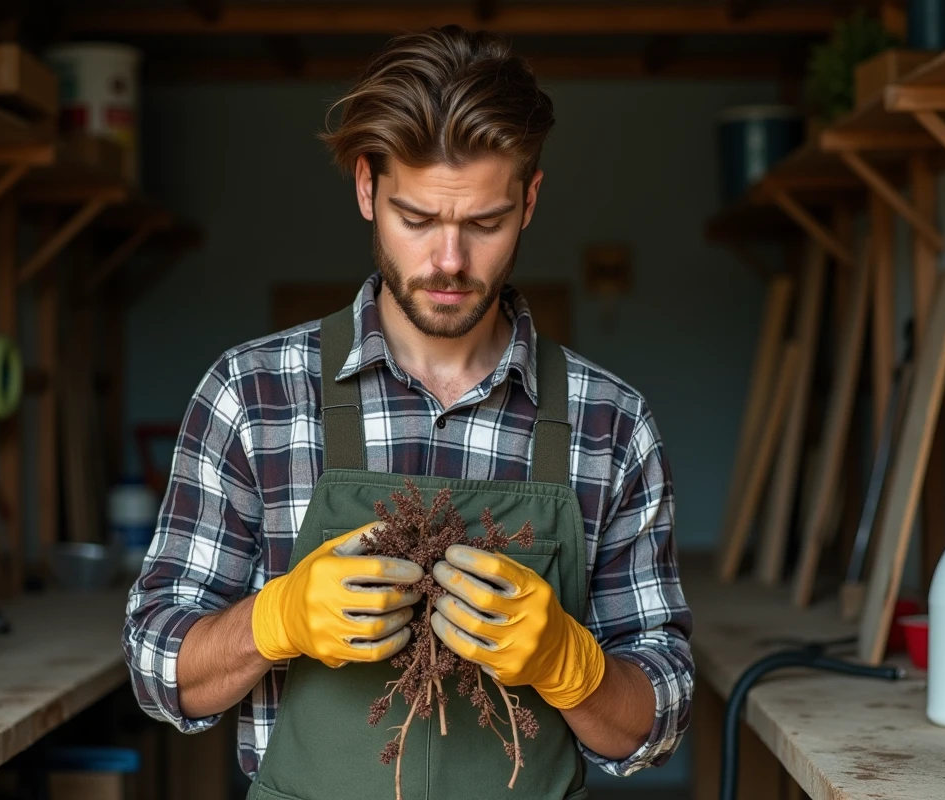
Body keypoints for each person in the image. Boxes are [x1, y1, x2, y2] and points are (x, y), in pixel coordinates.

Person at [123, 25, 693, 800]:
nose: (449, 261)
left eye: (484, 223)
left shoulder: (610, 425)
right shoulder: (253, 396)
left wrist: (573, 664)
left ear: (529, 199)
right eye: (417, 219)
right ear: (367, 189)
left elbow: (659, 722)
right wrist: (274, 620)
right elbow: (158, 670)